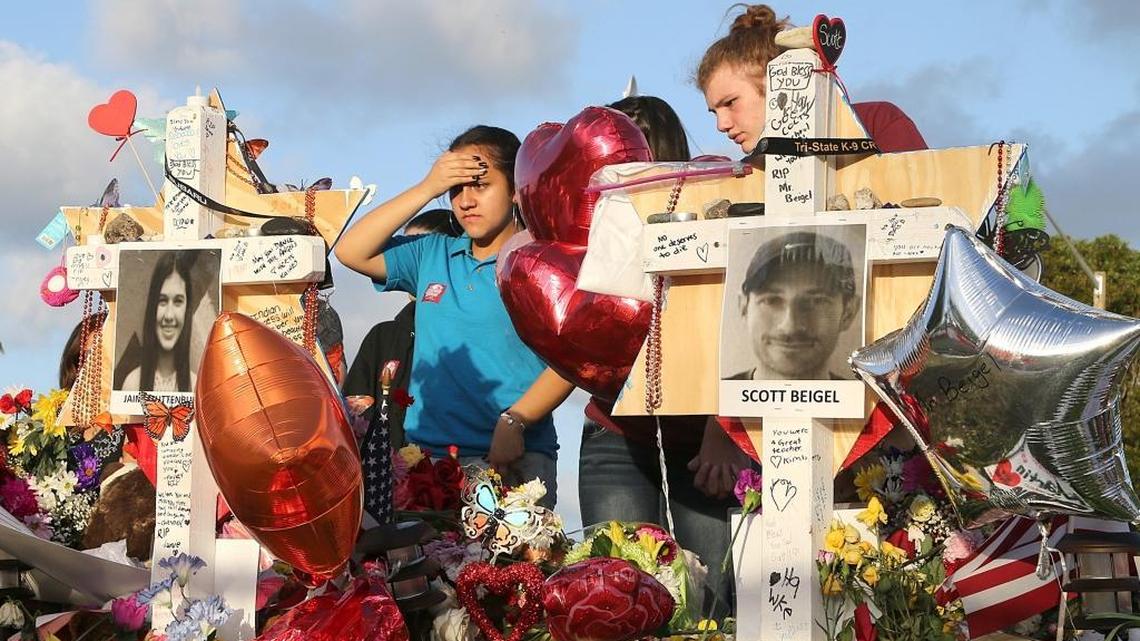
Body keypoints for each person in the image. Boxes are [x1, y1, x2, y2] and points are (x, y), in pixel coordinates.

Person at [335, 126, 573, 506]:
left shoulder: (541, 259)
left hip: (513, 461)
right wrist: (427, 187)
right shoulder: (432, 253)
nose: (465, 201)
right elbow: (349, 250)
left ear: (515, 187)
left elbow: (572, 360)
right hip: (424, 463)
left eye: (479, 185)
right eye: (455, 189)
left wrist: (517, 420)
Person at [578, 95, 749, 618]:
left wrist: (723, 428)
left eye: (633, 147)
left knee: (710, 608)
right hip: (615, 438)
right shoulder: (591, 223)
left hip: (703, 446)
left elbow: (743, 324)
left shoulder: (719, 207)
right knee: (611, 601)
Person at [697, 4, 928, 156]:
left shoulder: (877, 123)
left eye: (730, 103)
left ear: (777, 80)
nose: (721, 125)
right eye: (714, 112)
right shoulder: (741, 179)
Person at [342, 209, 458, 448]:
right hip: (387, 477)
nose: (411, 261)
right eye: (402, 251)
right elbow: (353, 419)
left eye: (417, 252)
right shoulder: (383, 338)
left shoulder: (474, 331)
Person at [728, 230, 860, 380]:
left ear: (848, 312)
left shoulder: (863, 401)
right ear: (744, 307)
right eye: (772, 300)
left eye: (815, 301)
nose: (789, 327)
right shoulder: (716, 399)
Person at [121, 252, 194, 393]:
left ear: (187, 308)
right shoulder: (132, 384)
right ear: (152, 306)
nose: (169, 315)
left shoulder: (196, 386)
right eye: (162, 300)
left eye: (178, 301)